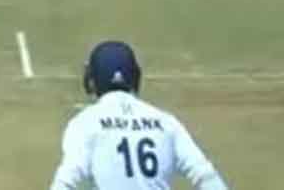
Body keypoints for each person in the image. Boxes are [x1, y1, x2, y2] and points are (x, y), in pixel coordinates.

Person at [49, 41, 229, 189]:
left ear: (92, 81)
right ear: (135, 77)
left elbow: (66, 181)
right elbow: (205, 176)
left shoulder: (84, 123)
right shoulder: (166, 122)